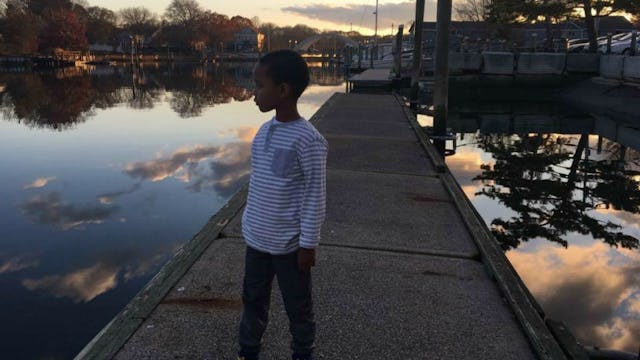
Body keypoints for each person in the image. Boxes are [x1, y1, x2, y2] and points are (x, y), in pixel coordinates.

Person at [237, 50, 328, 360]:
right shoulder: (263, 132)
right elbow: (260, 185)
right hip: (258, 241)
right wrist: (248, 223)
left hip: (290, 246)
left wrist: (308, 245)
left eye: (259, 86)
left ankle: (303, 354)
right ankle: (248, 352)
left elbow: (315, 195)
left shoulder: (308, 140)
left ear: (283, 90)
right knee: (252, 300)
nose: (254, 94)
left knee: (298, 308)